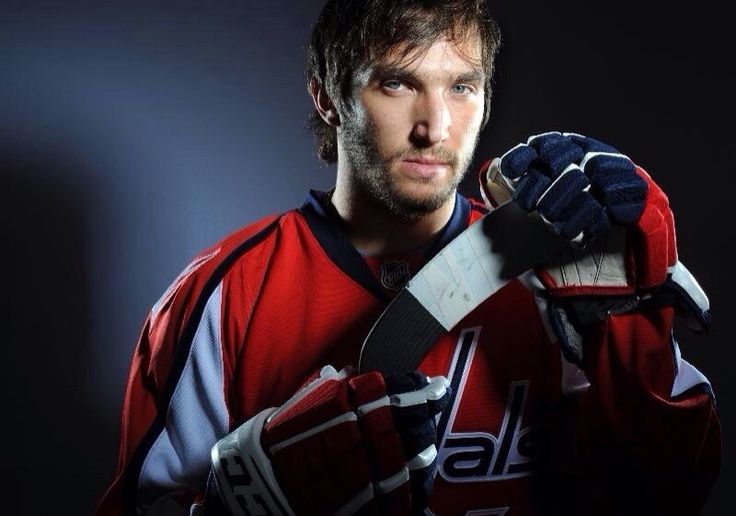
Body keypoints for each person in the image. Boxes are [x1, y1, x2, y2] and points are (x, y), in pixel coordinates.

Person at [94, 1, 721, 515]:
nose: (435, 125)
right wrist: (241, 506)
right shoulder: (222, 294)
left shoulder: (556, 272)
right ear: (327, 95)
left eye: (462, 86)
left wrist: (632, 329)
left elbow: (671, 491)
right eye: (397, 82)